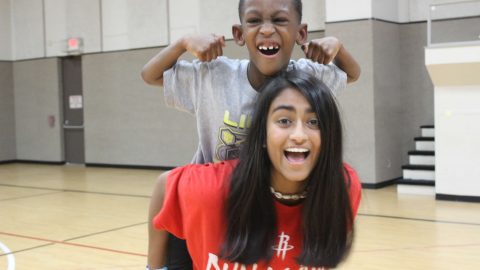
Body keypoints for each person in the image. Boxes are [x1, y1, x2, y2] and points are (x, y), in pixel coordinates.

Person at [143, 0, 361, 268]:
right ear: (238, 33)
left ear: (301, 33)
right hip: (207, 200)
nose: (267, 30)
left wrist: (337, 45)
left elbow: (351, 73)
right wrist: (183, 42)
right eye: (255, 21)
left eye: (279, 20)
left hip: (263, 207)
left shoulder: (306, 78)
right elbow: (150, 75)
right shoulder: (214, 75)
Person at [153, 70, 362, 269]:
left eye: (314, 122)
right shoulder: (212, 190)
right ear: (262, 135)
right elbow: (164, 186)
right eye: (284, 121)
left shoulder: (342, 188)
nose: (299, 134)